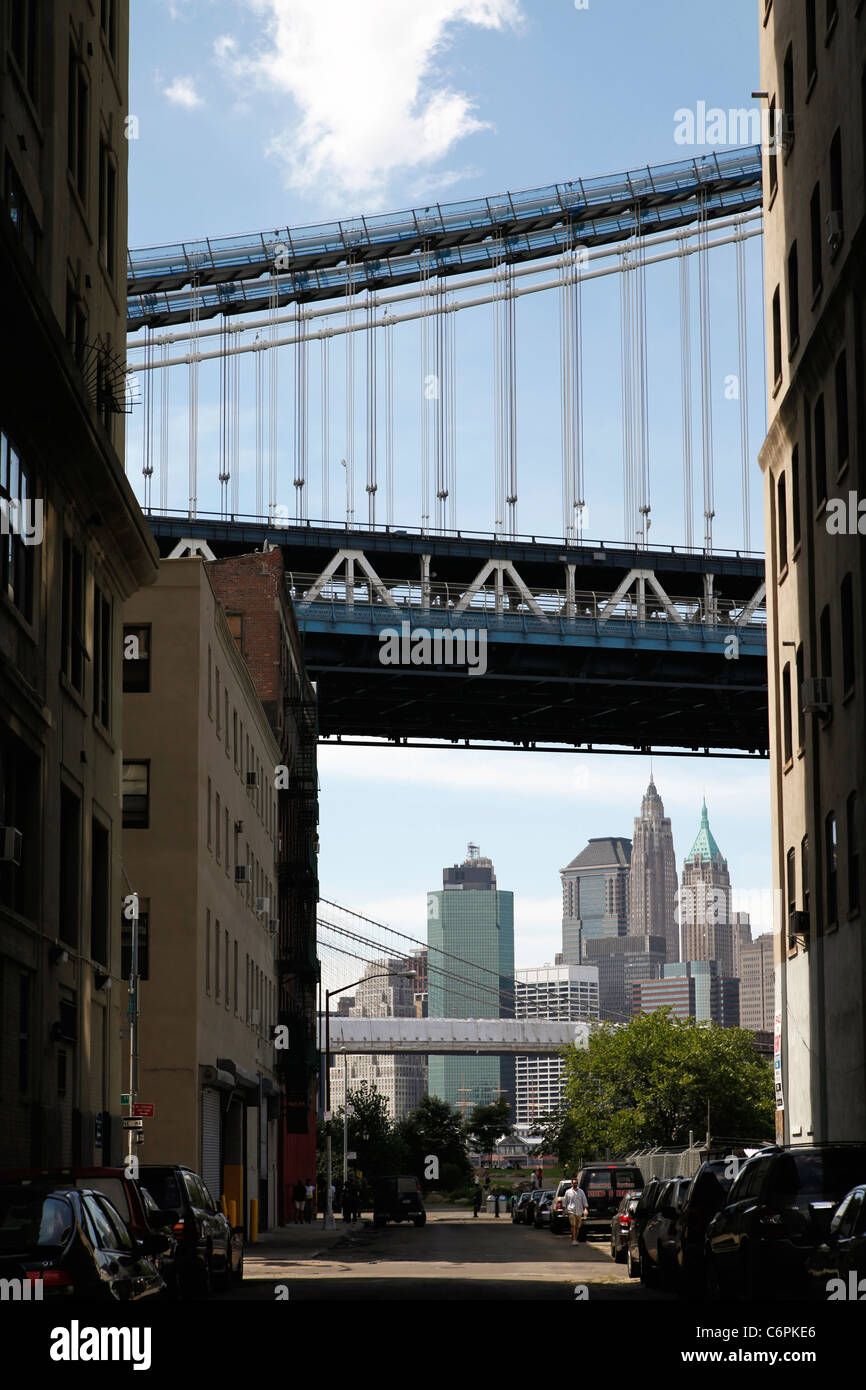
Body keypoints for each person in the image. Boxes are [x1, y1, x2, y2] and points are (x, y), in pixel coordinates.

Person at [563, 1177, 589, 1244]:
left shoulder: (581, 1192)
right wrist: (564, 1210)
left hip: (579, 1211)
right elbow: (565, 1202)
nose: (575, 1184)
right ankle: (574, 1240)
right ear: (571, 1184)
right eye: (574, 1183)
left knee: (578, 1227)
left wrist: (585, 1209)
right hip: (571, 1210)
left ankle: (575, 1238)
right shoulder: (568, 1192)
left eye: (576, 1183)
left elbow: (584, 1201)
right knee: (573, 1225)